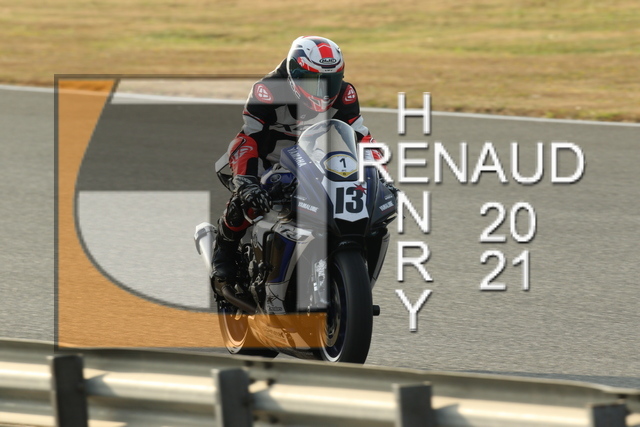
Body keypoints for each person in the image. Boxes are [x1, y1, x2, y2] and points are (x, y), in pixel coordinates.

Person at [211, 35, 384, 291]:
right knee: (248, 200)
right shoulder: (268, 90)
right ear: (295, 73)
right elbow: (248, 138)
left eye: (331, 81)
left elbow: (363, 138)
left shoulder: (345, 93)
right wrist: (246, 181)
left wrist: (379, 174)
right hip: (270, 160)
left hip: (317, 159)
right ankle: (223, 253)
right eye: (314, 82)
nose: (323, 90)